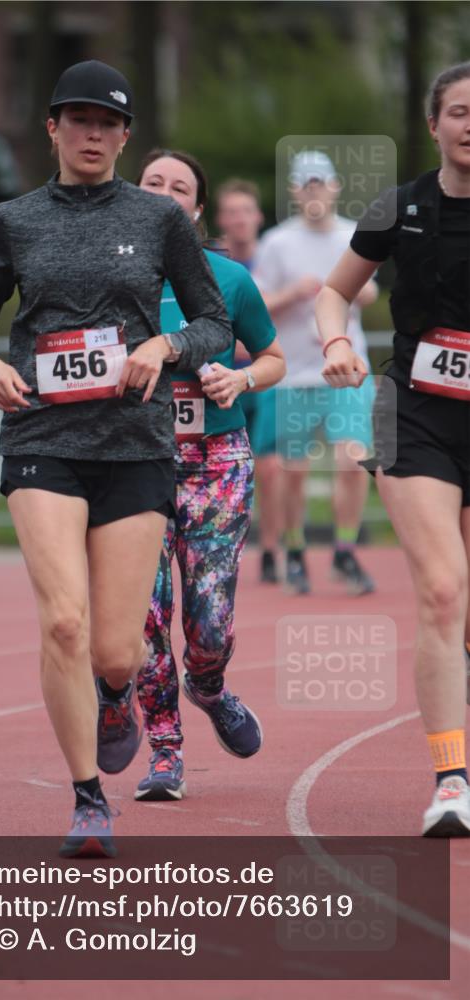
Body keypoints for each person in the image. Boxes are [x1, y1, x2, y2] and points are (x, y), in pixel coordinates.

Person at [0, 62, 232, 857]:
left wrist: (166, 343)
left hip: (134, 445)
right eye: (77, 120)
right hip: (41, 439)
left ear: (124, 134)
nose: (92, 134)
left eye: (106, 123)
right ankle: (86, 797)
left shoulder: (158, 219)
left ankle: (117, 695)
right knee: (63, 621)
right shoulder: (13, 220)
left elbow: (211, 322)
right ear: (52, 128)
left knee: (116, 647)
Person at [316, 62, 470, 836]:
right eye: (459, 112)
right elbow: (332, 289)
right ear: (433, 123)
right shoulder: (400, 206)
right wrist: (334, 339)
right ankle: (450, 779)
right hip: (413, 412)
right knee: (444, 590)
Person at [134, 150, 285, 801]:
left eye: (180, 189)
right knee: (144, 620)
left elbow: (274, 356)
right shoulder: (106, 278)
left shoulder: (229, 279)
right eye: (152, 184)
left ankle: (210, 685)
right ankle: (163, 752)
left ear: (196, 210)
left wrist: (241, 375)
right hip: (133, 463)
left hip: (215, 462)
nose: (166, 195)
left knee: (209, 624)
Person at [254, 150, 379, 595]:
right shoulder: (277, 242)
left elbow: (371, 291)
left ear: (334, 187)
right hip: (295, 374)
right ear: (293, 190)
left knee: (352, 462)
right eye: (305, 184)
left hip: (347, 368)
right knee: (294, 470)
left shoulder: (353, 234)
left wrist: (341, 292)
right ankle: (296, 551)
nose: (313, 191)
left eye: (320, 183)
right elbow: (257, 304)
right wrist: (292, 293)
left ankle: (345, 551)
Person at [213, 179, 283, 583]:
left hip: (261, 376)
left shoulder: (274, 258)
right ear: (221, 219)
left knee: (270, 467)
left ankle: (271, 547)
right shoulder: (209, 262)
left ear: (258, 217)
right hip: (219, 379)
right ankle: (224, 543)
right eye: (232, 212)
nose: (240, 219)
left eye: (246, 211)